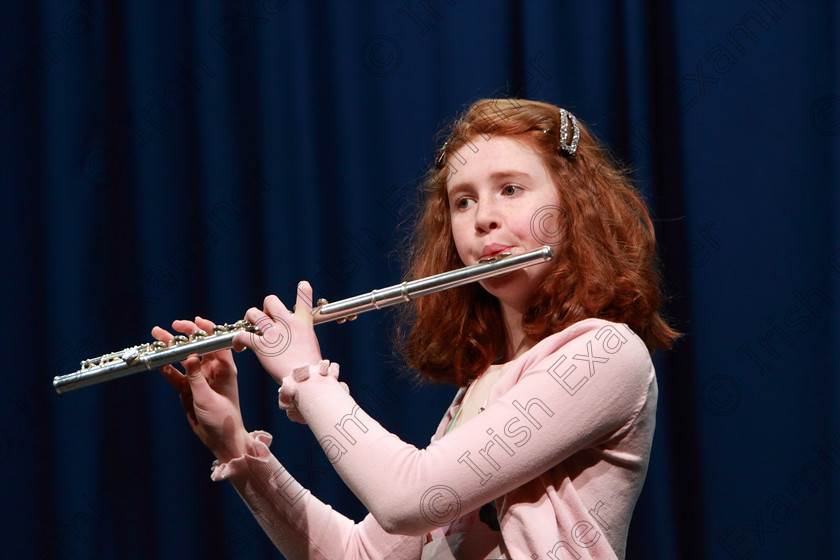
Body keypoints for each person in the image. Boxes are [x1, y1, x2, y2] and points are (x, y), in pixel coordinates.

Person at [153, 98, 679, 560]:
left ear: (574, 207)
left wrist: (307, 378)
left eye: (511, 189)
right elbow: (359, 555)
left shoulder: (604, 352)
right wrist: (234, 445)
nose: (483, 218)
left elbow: (409, 498)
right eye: (463, 201)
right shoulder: (485, 386)